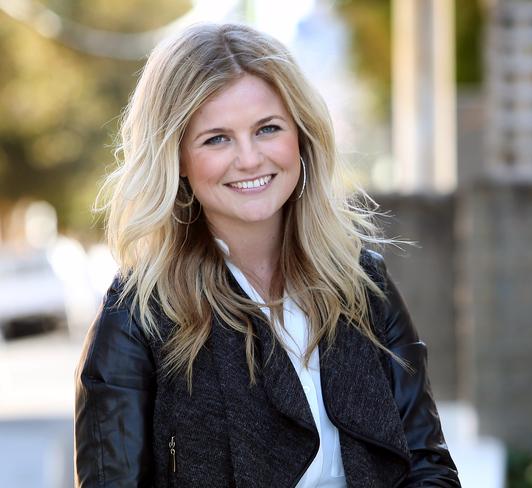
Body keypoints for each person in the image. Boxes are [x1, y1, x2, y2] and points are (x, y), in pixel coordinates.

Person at [74, 22, 460, 488]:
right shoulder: (138, 314)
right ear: (176, 158)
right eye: (217, 138)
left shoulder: (362, 284)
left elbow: (429, 465)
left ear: (300, 136)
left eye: (268, 129)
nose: (250, 158)